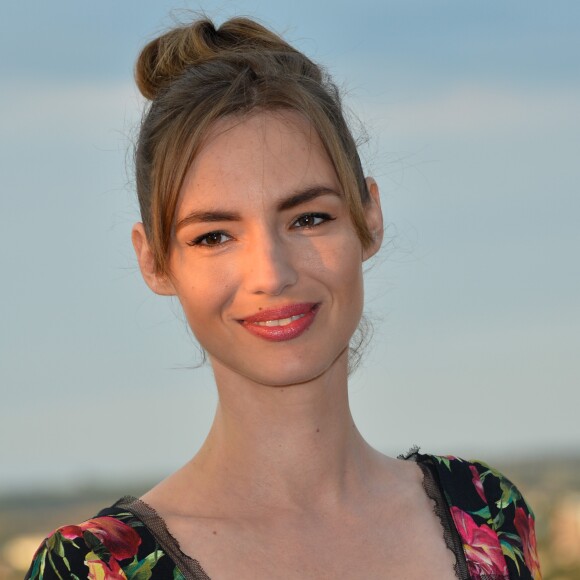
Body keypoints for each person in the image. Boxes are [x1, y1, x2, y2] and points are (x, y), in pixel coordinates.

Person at [26, 16, 541, 580]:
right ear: (153, 260)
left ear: (369, 218)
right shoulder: (92, 570)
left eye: (309, 218)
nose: (271, 274)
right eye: (214, 236)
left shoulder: (489, 513)